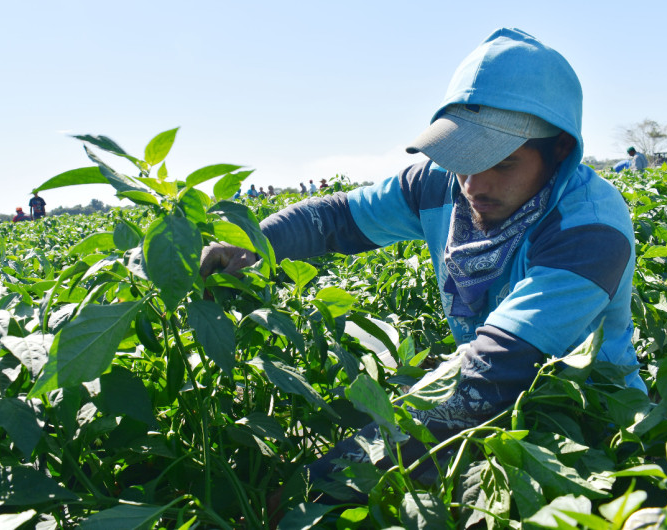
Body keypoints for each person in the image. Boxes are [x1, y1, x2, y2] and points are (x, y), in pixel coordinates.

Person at [200, 27, 644, 499]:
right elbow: (336, 218)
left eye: (502, 163)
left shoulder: (589, 231)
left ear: (558, 151)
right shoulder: (439, 185)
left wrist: (323, 484)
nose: (474, 184)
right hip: (486, 392)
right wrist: (251, 242)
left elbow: (494, 373)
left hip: (586, 421)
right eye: (464, 159)